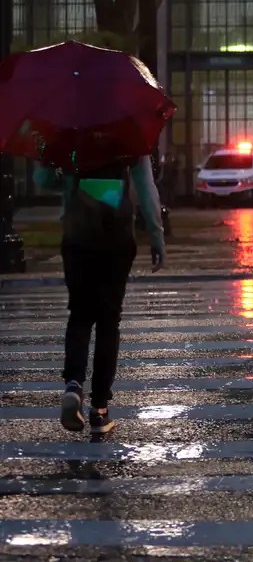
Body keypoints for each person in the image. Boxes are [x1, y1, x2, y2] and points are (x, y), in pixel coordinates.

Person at [34, 155, 165, 435]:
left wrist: (63, 176)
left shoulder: (69, 131)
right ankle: (100, 409)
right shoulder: (129, 133)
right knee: (108, 321)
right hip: (116, 236)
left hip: (78, 233)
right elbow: (146, 187)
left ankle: (73, 385)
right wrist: (156, 235)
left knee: (80, 314)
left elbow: (43, 180)